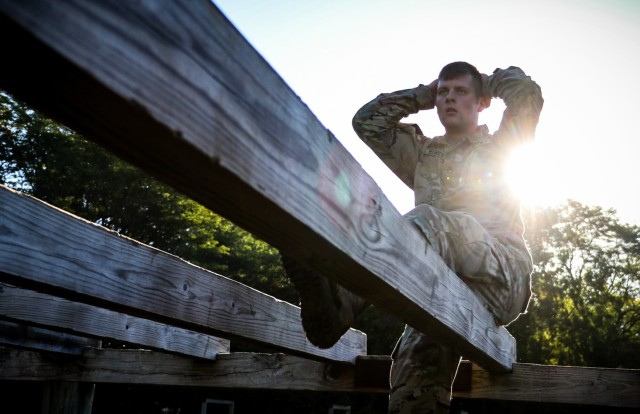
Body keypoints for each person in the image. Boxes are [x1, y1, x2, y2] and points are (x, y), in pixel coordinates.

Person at [282, 61, 543, 413]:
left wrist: (488, 82)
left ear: (481, 102)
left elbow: (526, 96)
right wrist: (423, 94)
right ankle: (340, 314)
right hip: (441, 285)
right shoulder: (423, 154)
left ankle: (342, 304)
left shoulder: (504, 146)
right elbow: (368, 122)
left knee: (431, 221)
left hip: (501, 275)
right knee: (413, 377)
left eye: (460, 91)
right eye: (444, 92)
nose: (449, 98)